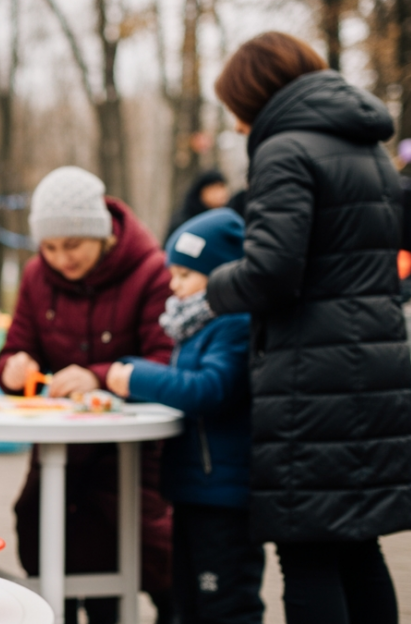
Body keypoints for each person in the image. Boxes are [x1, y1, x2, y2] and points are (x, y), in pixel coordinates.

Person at [207, 31, 411, 624]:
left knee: (305, 554)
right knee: (357, 547)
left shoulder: (285, 151)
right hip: (373, 370)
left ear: (253, 94)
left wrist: (213, 287)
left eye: (234, 107)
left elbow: (273, 272)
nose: (235, 123)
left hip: (313, 380)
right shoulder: (368, 150)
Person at [0, 166, 175, 624]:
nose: (60, 258)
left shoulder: (150, 271)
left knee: (123, 560)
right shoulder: (37, 277)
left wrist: (97, 375)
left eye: (72, 245)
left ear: (101, 234)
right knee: (38, 533)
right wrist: (14, 368)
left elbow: (165, 361)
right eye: (50, 247)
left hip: (129, 459)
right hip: (57, 454)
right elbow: (16, 349)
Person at [107, 209, 264, 624]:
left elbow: (206, 389)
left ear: (220, 274)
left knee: (225, 602)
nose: (173, 287)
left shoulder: (233, 325)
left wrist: (138, 374)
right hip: (194, 489)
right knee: (188, 601)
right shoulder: (196, 327)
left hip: (223, 495)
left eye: (185, 275)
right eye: (172, 274)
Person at [165, 168, 230, 241]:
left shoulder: (228, 218)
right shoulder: (184, 220)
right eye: (214, 188)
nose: (220, 194)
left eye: (222, 187)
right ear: (201, 191)